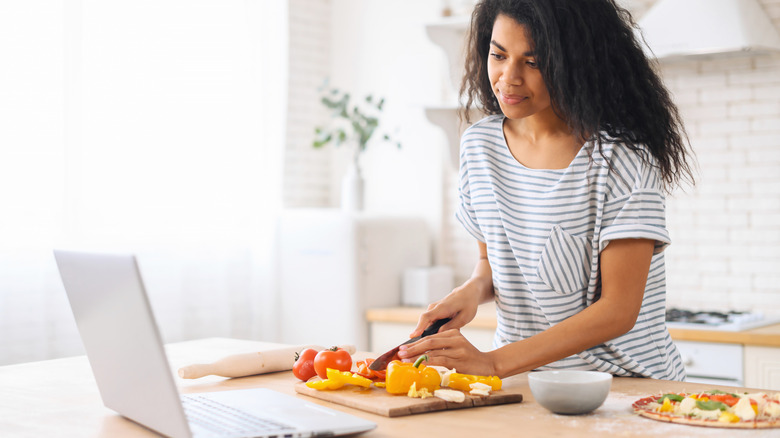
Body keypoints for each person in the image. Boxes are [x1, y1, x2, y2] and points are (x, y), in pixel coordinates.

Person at [398, 0, 696, 380]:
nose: (509, 77)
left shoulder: (621, 158)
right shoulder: (479, 146)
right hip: (527, 382)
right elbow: (493, 263)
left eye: (533, 62)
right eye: (499, 55)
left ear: (575, 63)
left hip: (623, 388)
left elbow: (619, 310)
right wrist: (472, 291)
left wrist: (493, 362)